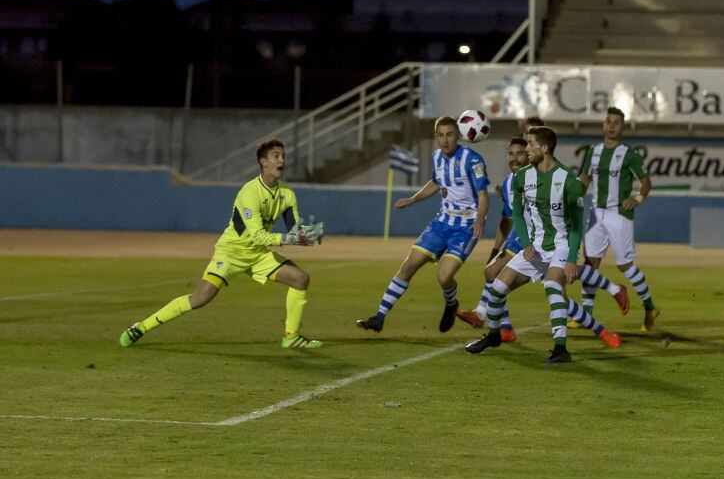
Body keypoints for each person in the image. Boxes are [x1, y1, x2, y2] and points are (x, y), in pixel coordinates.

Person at [119, 139, 325, 349]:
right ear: (264, 162)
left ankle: (291, 337)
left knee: (300, 279)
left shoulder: (287, 194)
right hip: (230, 253)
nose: (282, 160)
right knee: (201, 298)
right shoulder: (250, 192)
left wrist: (306, 235)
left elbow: (293, 230)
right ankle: (141, 327)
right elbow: (258, 236)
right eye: (276, 156)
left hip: (257, 255)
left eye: (283, 156)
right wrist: (291, 238)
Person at [466, 126, 622, 362]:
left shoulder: (569, 180)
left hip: (560, 246)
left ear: (545, 148)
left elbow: (577, 224)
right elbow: (517, 214)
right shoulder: (522, 177)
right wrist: (527, 243)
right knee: (497, 288)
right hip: (535, 247)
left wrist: (571, 258)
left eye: (530, 144)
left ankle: (561, 349)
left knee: (553, 287)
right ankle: (495, 335)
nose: (527, 148)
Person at [356, 117, 489, 334]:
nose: (445, 140)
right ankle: (379, 317)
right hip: (441, 222)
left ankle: (451, 303)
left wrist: (480, 220)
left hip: (465, 228)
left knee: (444, 276)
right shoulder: (436, 157)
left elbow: (483, 195)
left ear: (458, 136)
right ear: (436, 137)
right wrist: (412, 199)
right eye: (440, 135)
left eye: (449, 135)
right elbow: (435, 183)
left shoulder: (472, 160)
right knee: (408, 266)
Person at [579, 107, 659, 332]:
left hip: (619, 215)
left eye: (617, 122)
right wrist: (574, 193)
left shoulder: (629, 153)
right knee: (590, 263)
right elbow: (585, 179)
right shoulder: (593, 150)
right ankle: (586, 314)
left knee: (625, 266)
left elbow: (646, 181)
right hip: (596, 213)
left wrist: (638, 198)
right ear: (603, 125)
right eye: (608, 121)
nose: (612, 125)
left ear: (622, 128)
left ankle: (650, 308)